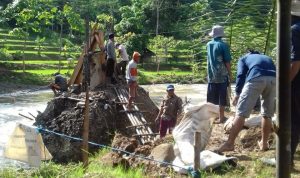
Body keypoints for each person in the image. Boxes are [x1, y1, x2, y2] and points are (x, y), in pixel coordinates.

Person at [217, 51, 276, 153]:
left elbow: (240, 75)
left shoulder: (243, 58)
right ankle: (264, 143)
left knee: (241, 113)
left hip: (256, 78)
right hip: (274, 80)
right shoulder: (266, 57)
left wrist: (237, 93)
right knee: (267, 114)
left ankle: (230, 144)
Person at [206, 25, 232, 124]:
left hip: (212, 75)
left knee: (212, 97)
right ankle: (221, 118)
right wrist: (230, 74)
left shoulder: (208, 44)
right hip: (222, 76)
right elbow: (227, 62)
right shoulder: (224, 45)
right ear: (221, 35)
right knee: (222, 97)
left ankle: (212, 117)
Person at [290, 0, 300, 167]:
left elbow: (295, 64)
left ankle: (286, 158)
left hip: (297, 83)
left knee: (292, 120)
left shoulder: (294, 30)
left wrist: (283, 84)